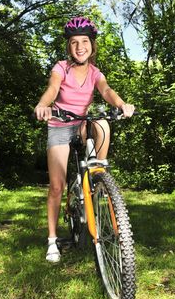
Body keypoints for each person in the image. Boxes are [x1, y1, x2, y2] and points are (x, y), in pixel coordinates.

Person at [34, 17, 135, 263]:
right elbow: (52, 88)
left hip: (80, 123)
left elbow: (106, 90)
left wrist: (121, 104)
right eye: (74, 42)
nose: (80, 46)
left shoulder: (95, 73)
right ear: (69, 47)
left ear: (92, 45)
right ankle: (52, 240)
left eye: (85, 41)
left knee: (101, 122)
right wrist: (43, 104)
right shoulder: (61, 68)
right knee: (57, 186)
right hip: (59, 123)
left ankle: (97, 176)